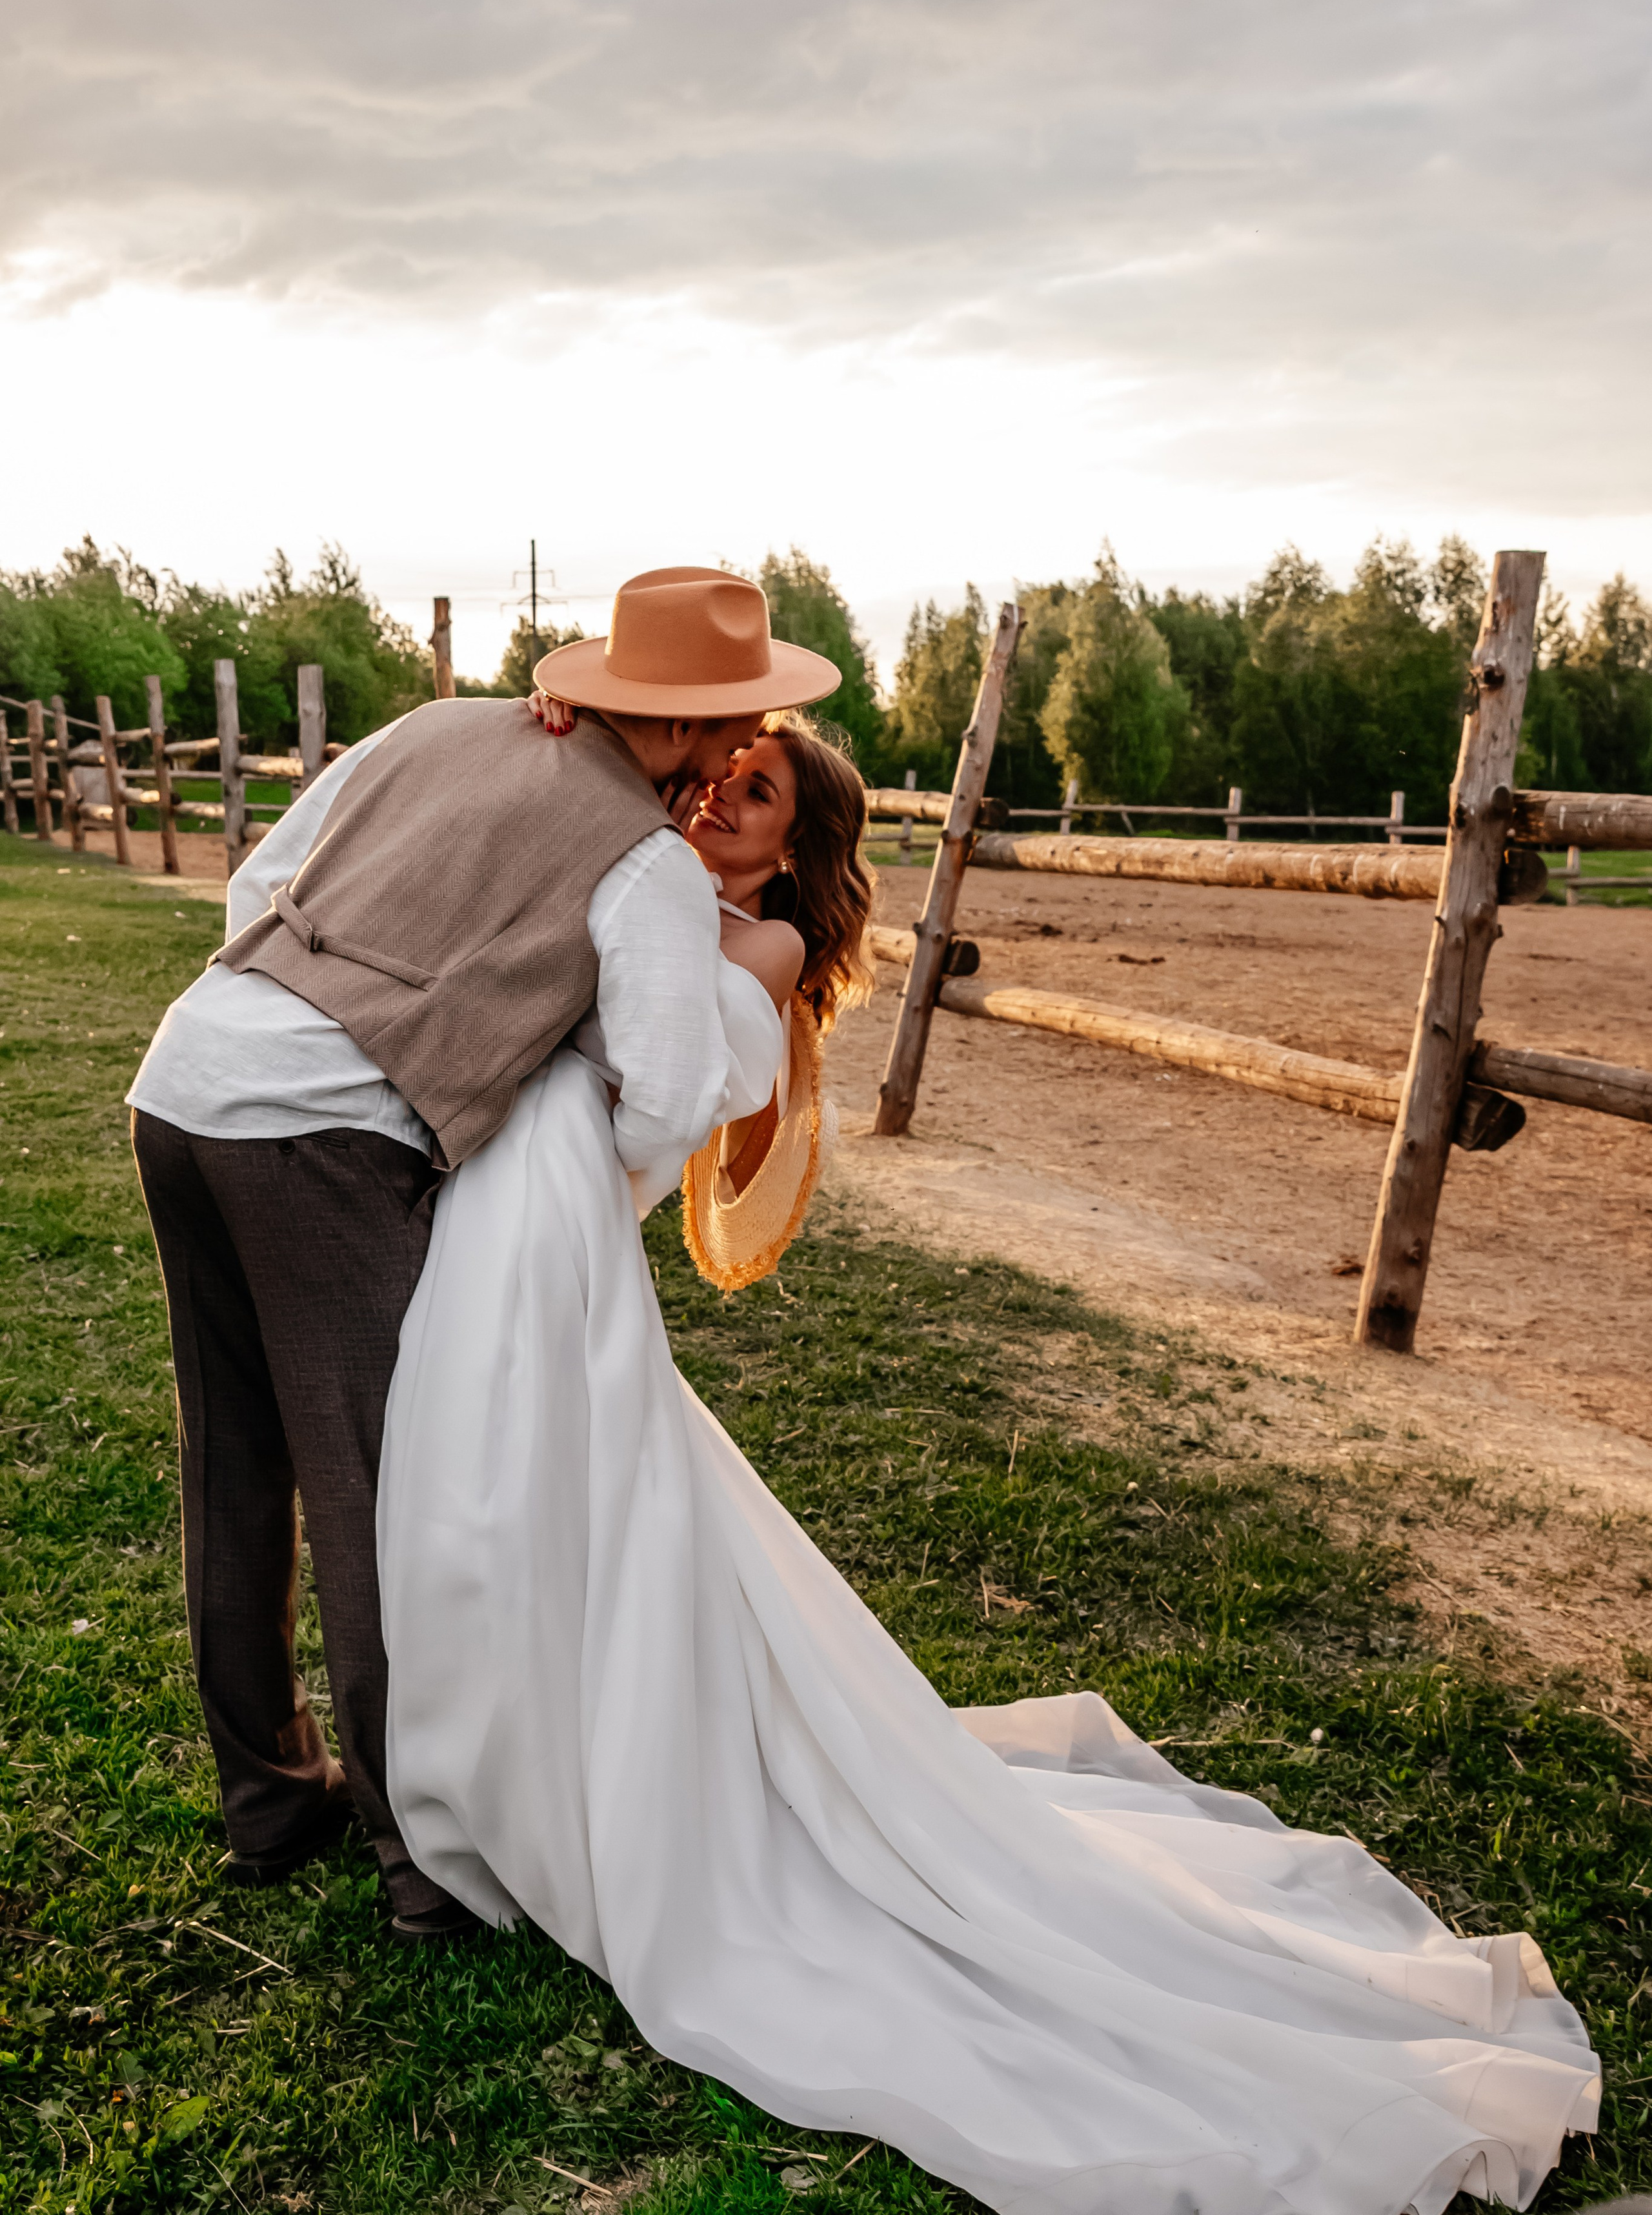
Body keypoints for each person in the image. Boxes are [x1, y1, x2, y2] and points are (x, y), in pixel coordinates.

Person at [379, 693, 1598, 2214]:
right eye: (718, 777)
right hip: (524, 1221)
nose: (715, 804)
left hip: (555, 1237)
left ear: (795, 857)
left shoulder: (743, 946)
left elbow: (644, 1077)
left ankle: (562, 1791)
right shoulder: (637, 871)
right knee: (528, 1516)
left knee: (540, 1508)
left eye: (752, 798)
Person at [126, 566, 840, 1939]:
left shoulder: (433, 727)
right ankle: (424, 1865)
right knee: (382, 1502)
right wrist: (503, 1081)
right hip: (315, 1143)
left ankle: (270, 1803)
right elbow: (676, 1092)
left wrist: (302, 1011)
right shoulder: (638, 862)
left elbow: (263, 881)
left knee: (234, 1457)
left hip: (184, 1078)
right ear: (692, 727)